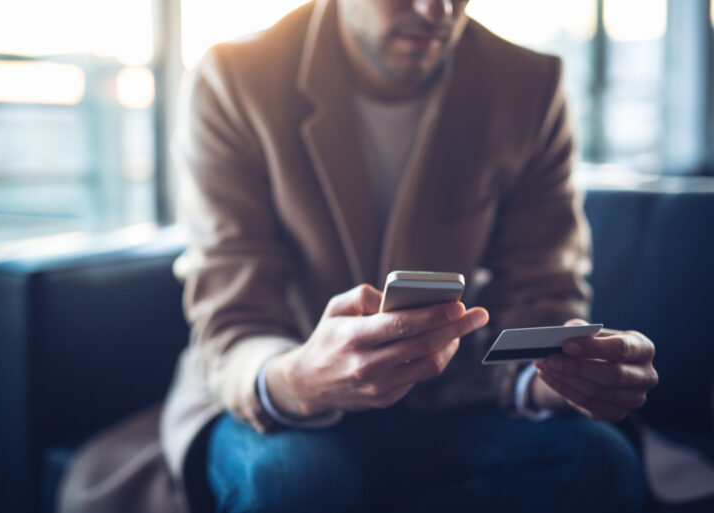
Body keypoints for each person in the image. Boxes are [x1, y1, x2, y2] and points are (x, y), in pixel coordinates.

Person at [160, 0, 660, 511]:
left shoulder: (528, 85)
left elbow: (541, 288)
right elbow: (233, 311)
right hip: (279, 389)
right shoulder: (235, 80)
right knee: (296, 481)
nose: (437, 10)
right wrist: (300, 378)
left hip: (454, 396)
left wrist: (559, 377)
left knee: (598, 461)